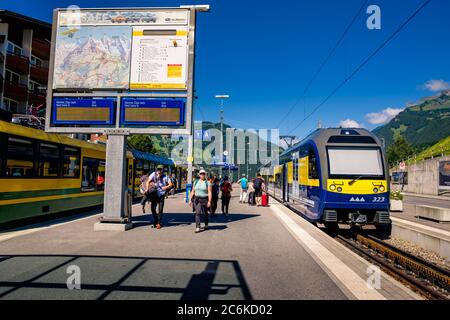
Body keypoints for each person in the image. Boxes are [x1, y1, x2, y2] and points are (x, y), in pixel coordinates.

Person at [147, 165, 173, 229]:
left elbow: (171, 184)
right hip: (154, 194)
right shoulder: (154, 174)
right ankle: (156, 220)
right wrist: (147, 189)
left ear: (163, 170)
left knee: (160, 210)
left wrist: (165, 187)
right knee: (153, 208)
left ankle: (158, 223)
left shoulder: (165, 177)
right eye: (158, 169)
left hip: (161, 195)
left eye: (161, 169)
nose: (159, 170)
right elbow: (148, 181)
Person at [190, 169, 212, 233]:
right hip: (197, 199)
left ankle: (206, 224)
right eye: (201, 174)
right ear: (199, 175)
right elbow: (193, 191)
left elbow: (210, 192)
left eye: (203, 174)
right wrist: (190, 200)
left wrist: (209, 201)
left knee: (205, 213)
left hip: (205, 199)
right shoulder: (195, 182)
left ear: (205, 175)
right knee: (197, 213)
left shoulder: (208, 182)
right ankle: (198, 227)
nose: (202, 175)